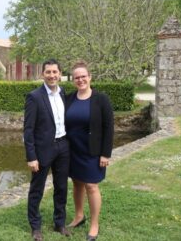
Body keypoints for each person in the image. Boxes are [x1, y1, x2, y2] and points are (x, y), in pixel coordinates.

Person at [65, 61, 114, 241]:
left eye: (83, 76)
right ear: (73, 80)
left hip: (92, 151)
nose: (80, 80)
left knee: (91, 186)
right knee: (77, 184)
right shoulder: (69, 98)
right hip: (73, 150)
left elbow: (109, 127)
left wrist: (105, 153)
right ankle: (79, 216)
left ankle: (94, 224)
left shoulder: (101, 99)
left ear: (89, 77)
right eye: (77, 77)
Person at [24, 59, 71, 241]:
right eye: (48, 72)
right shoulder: (34, 97)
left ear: (60, 74)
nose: (52, 75)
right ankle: (35, 227)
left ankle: (59, 223)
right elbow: (28, 130)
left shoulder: (63, 93)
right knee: (37, 189)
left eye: (55, 72)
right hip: (43, 149)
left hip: (63, 147)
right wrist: (31, 156)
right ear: (42, 74)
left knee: (61, 187)